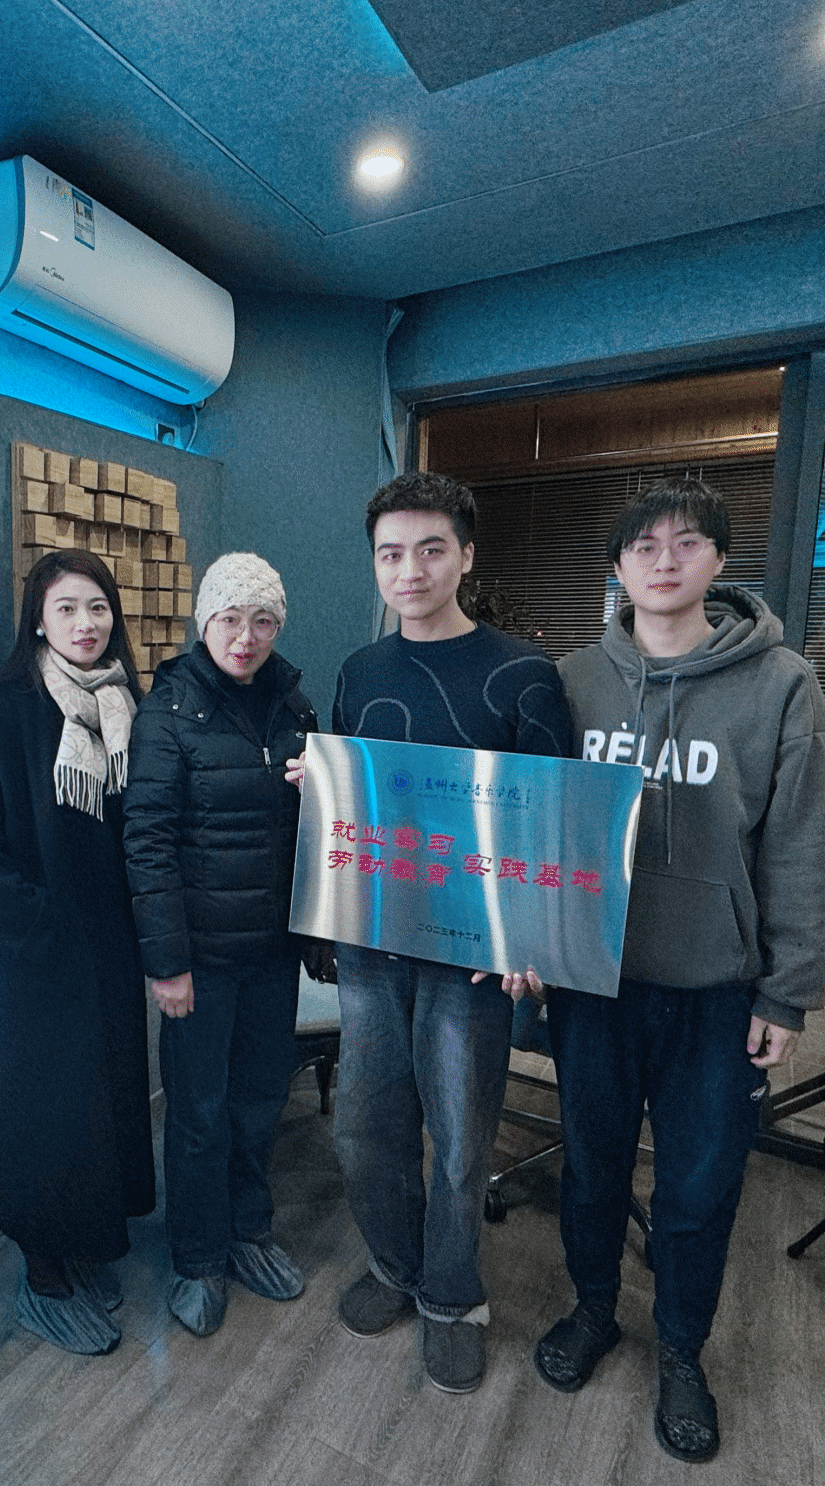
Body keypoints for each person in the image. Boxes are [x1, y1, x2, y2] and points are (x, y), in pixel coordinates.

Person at [538, 476, 825, 1463]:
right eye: (643, 546)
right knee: (590, 1166)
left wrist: (787, 990)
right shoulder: (573, 679)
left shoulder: (780, 683)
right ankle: (592, 1309)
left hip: (716, 991)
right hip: (593, 980)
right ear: (617, 568)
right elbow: (529, 821)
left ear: (717, 559)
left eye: (686, 543)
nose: (663, 561)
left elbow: (801, 845)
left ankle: (679, 1349)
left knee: (699, 1188)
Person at [287, 471, 570, 1394]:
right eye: (390, 554)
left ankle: (452, 1296)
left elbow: (549, 820)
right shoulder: (360, 671)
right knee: (365, 1129)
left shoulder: (523, 674)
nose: (409, 571)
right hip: (372, 943)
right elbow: (355, 810)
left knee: (458, 1139)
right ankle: (395, 1265)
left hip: (472, 957)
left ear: (466, 556)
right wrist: (321, 789)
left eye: (430, 549)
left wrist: (532, 943)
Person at [0, 549, 156, 1356]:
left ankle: (85, 1248)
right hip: (37, 954)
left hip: (110, 947)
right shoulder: (5, 707)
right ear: (38, 619)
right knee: (46, 1113)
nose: (85, 623)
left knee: (103, 1105)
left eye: (97, 607)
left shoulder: (126, 704)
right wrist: (33, 921)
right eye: (66, 608)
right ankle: (43, 1276)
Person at [123, 553, 320, 1338]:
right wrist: (166, 963)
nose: (246, 637)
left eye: (263, 621)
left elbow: (319, 831)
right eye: (231, 619)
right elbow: (147, 841)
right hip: (199, 962)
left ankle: (249, 1231)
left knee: (260, 1103)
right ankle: (198, 1257)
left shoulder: (293, 706)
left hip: (272, 953)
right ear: (204, 621)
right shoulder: (167, 712)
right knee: (199, 1114)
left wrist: (321, 793)